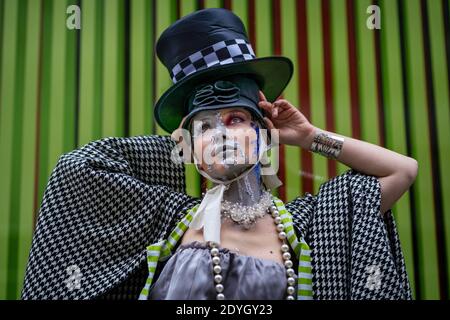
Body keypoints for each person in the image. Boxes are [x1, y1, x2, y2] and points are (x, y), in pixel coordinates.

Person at [21, 8, 416, 300]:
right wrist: (175, 148)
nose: (221, 134)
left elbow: (402, 170)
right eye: (205, 126)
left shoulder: (310, 224)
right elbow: (76, 169)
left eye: (235, 119)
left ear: (264, 133)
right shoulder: (161, 217)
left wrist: (308, 136)